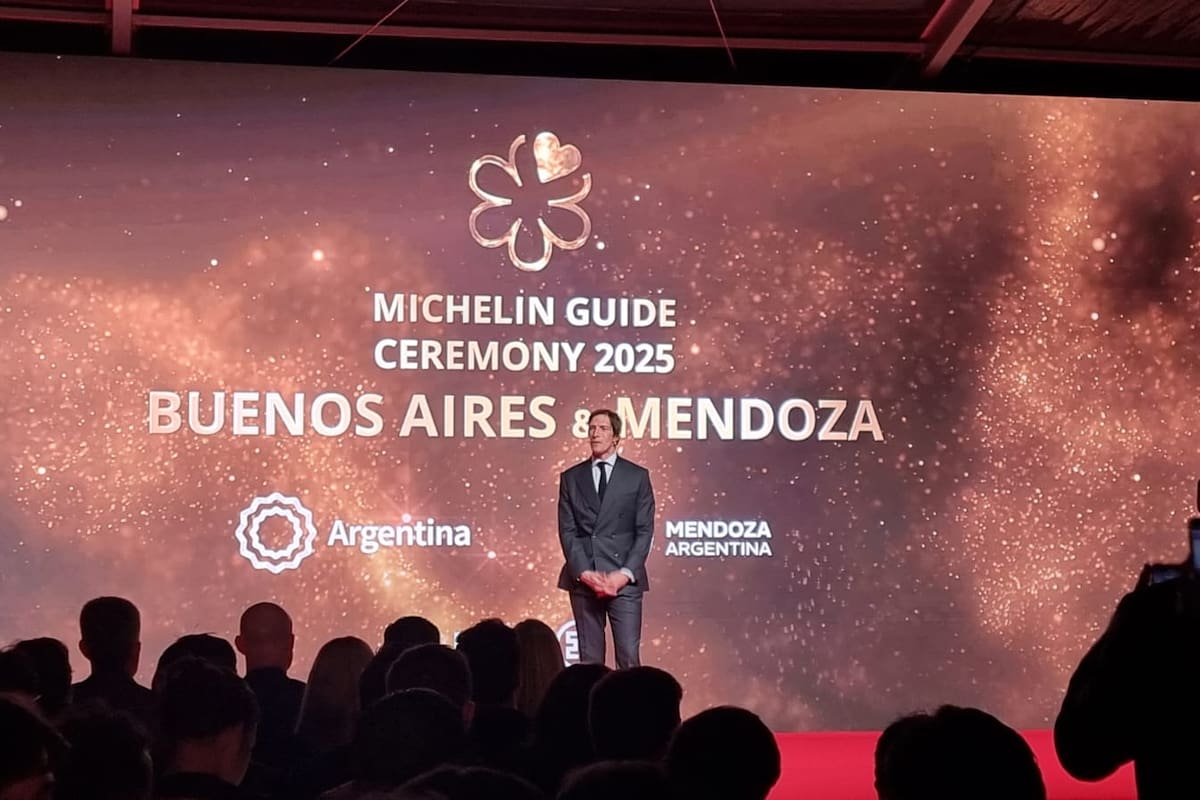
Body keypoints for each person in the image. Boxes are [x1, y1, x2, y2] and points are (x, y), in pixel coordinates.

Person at [556, 409, 655, 669]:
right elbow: (568, 531)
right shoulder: (571, 477)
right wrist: (584, 573)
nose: (594, 433)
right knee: (589, 664)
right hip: (585, 582)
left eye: (601, 428)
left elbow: (644, 531)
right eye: (591, 428)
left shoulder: (637, 476)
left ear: (616, 437)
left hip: (624, 582)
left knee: (629, 661)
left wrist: (623, 575)